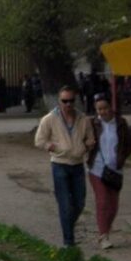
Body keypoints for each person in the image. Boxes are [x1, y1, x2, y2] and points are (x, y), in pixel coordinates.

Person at [34, 85, 96, 247]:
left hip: (77, 165)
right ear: (59, 101)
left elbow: (90, 138)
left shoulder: (83, 119)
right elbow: (39, 140)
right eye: (64, 101)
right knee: (65, 204)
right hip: (59, 165)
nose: (68, 104)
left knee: (79, 203)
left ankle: (68, 225)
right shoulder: (49, 119)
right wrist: (51, 146)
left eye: (71, 101)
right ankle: (69, 242)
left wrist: (88, 145)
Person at [87, 93, 131, 250]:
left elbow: (128, 144)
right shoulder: (92, 124)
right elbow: (85, 141)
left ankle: (106, 228)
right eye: (99, 109)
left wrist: (121, 158)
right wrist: (89, 144)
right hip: (97, 168)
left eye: (105, 108)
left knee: (113, 205)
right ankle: (103, 236)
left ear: (111, 107)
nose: (102, 112)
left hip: (115, 169)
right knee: (102, 201)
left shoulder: (120, 123)